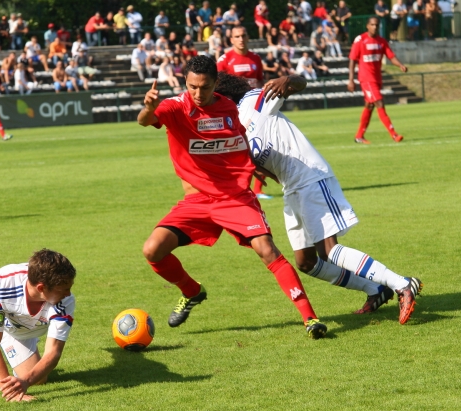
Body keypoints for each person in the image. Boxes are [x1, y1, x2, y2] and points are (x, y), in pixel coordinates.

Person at [137, 56, 327, 339]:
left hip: (235, 198)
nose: (198, 94)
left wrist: (260, 170)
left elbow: (240, 146)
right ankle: (192, 291)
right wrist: (148, 108)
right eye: (192, 87)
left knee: (267, 250)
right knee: (152, 250)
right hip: (197, 201)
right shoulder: (176, 106)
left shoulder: (227, 109)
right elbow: (145, 120)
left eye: (204, 87)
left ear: (216, 83)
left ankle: (310, 318)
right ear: (184, 83)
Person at [215, 73, 424, 324]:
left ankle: (402, 284)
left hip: (310, 176)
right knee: (306, 261)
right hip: (292, 187)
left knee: (330, 250)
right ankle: (375, 289)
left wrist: (288, 79)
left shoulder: (252, 101)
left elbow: (301, 82)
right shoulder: (231, 130)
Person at [0, 249, 76, 402]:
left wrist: (25, 381)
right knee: (40, 380)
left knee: (33, 377)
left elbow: (53, 352)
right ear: (41, 288)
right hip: (12, 331)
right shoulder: (1, 284)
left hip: (36, 328)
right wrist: (10, 391)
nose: (68, 294)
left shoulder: (66, 301)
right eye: (63, 289)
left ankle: (29, 362)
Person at [216, 25, 268, 199]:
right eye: (237, 36)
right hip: (235, 110)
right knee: (238, 147)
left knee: (261, 143)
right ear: (231, 39)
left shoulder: (255, 58)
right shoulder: (225, 60)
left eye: (243, 35)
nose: (241, 39)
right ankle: (237, 186)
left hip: (255, 106)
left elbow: (260, 80)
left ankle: (259, 189)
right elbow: (218, 86)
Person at [348, 17, 407, 144]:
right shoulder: (360, 40)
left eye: (377, 25)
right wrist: (351, 80)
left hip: (377, 78)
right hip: (366, 78)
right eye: (372, 24)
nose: (375, 27)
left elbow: (391, 56)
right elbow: (352, 60)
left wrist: (400, 65)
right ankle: (394, 134)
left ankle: (359, 136)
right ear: (367, 26)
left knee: (369, 105)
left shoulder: (381, 41)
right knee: (379, 103)